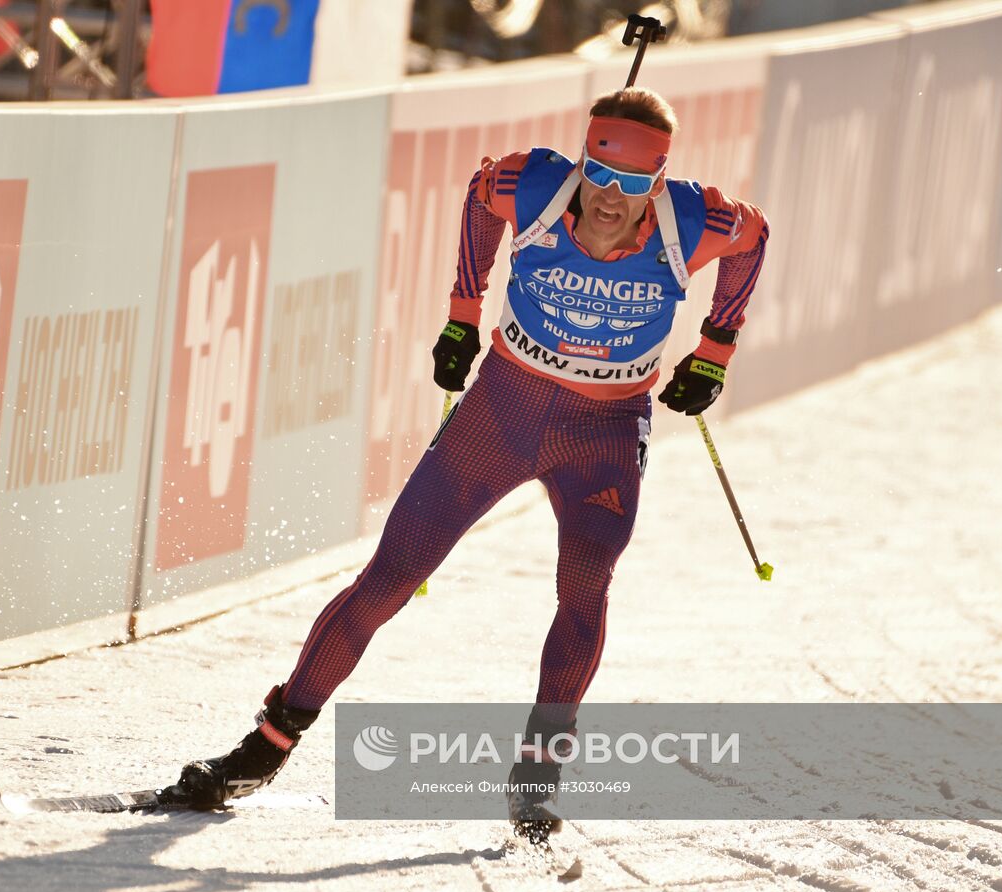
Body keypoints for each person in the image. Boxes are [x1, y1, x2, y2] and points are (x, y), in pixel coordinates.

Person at [162, 87, 770, 841]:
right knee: (390, 575)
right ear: (583, 163)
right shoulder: (536, 186)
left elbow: (756, 235)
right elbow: (481, 195)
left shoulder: (694, 220)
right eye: (600, 178)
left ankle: (538, 774)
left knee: (584, 590)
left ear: (658, 182)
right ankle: (267, 743)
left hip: (604, 432)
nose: (610, 202)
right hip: (502, 412)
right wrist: (462, 313)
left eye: (632, 186)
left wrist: (715, 351)